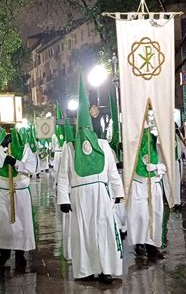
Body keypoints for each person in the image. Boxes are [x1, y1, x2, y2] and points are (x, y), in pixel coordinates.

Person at [57, 78, 124, 284]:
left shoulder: (103, 146)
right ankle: (85, 269)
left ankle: (106, 269)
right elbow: (62, 175)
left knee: (103, 230)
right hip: (79, 197)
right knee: (83, 233)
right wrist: (63, 198)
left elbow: (112, 171)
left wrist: (118, 191)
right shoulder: (70, 147)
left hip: (101, 196)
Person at [0, 128, 37, 267]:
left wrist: (16, 162)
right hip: (1, 195)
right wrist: (4, 148)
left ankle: (20, 254)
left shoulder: (26, 150)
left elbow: (32, 168)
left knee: (20, 225)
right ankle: (3, 253)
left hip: (20, 193)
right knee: (2, 225)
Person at [126, 128, 166, 260]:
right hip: (138, 183)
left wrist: (155, 168)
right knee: (140, 215)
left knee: (154, 215)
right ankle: (139, 243)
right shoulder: (131, 143)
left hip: (153, 183)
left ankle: (152, 245)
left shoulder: (158, 143)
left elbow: (166, 165)